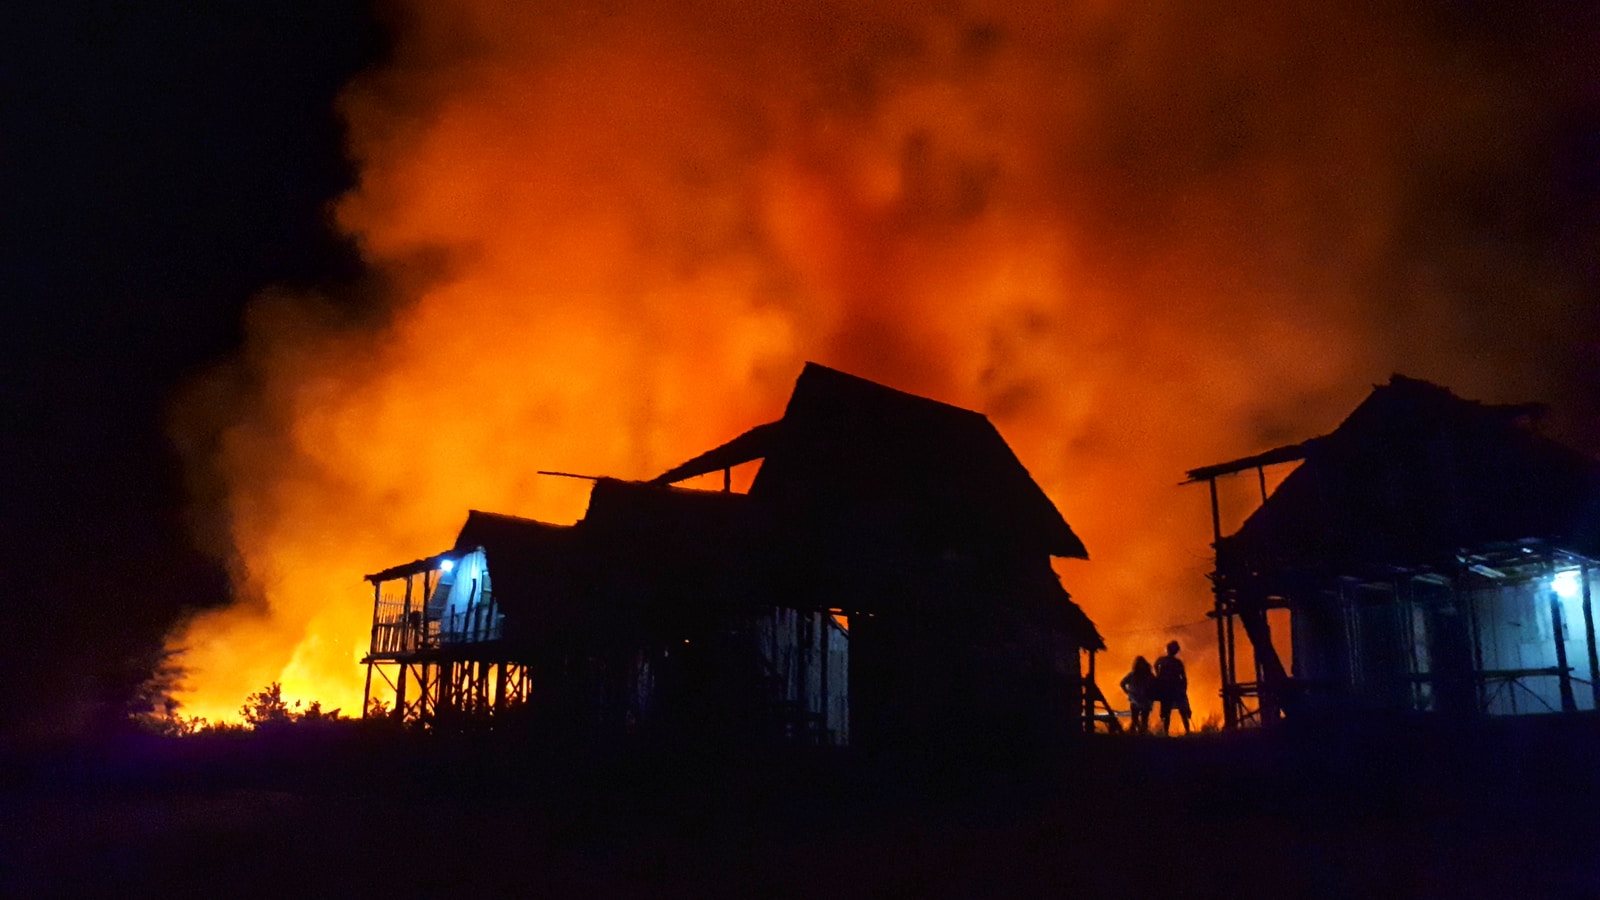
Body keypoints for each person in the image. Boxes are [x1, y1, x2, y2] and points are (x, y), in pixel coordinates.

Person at [1154, 640, 1191, 735]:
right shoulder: (1177, 662)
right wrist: (1184, 687)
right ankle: (1187, 731)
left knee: (1167, 712)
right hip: (1176, 688)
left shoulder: (1162, 660)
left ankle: (1166, 733)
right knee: (1182, 710)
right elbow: (1183, 676)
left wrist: (1158, 676)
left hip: (1166, 689)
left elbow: (1156, 665)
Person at [1119, 656, 1156, 734]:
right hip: (1142, 700)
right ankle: (1139, 733)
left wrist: (1128, 692)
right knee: (1140, 719)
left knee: (1139, 719)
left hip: (1139, 700)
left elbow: (1122, 683)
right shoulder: (1147, 675)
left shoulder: (1134, 675)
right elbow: (1122, 683)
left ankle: (1137, 733)